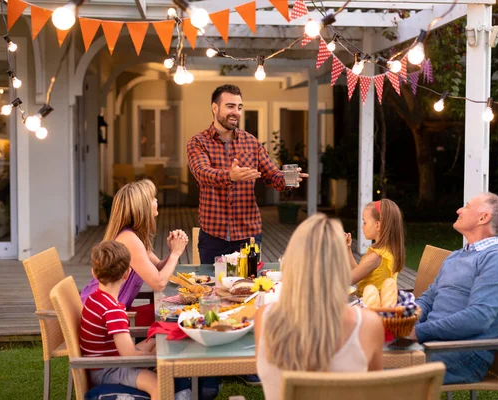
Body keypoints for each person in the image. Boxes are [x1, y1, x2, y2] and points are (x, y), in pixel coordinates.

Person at [255, 213, 384, 400]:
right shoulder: (369, 325)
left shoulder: (264, 318)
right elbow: (375, 392)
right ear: (340, 265)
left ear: (291, 262)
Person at [408, 192, 498, 384]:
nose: (459, 210)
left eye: (467, 206)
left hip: (463, 354)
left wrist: (418, 332)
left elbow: (477, 318)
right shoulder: (456, 256)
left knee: (368, 363)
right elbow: (429, 298)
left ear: (483, 218)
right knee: (360, 345)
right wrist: (408, 319)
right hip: (433, 344)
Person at [187, 84, 308, 264]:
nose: (236, 112)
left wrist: (287, 179)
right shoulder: (198, 142)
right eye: (230, 106)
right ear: (215, 108)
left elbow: (271, 175)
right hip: (213, 235)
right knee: (211, 288)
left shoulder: (251, 142)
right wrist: (230, 176)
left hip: (248, 235)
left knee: (247, 287)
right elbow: (202, 173)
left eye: (239, 107)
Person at [80, 180, 188, 324]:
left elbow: (158, 269)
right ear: (142, 208)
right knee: (173, 313)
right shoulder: (129, 240)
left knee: (175, 310)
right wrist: (175, 254)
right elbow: (159, 283)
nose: (156, 200)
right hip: (102, 315)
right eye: (152, 198)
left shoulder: (134, 236)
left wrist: (172, 250)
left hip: (113, 310)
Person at [80, 241, 158, 399]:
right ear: (127, 274)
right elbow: (128, 354)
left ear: (94, 273)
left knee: (155, 341)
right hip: (107, 369)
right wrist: (157, 359)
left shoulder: (93, 299)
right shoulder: (113, 310)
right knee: (158, 385)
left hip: (109, 360)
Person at [345, 199, 405, 294]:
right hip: (382, 305)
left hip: (370, 306)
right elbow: (360, 272)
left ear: (377, 225)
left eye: (365, 222)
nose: (362, 226)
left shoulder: (376, 257)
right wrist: (347, 249)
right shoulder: (388, 251)